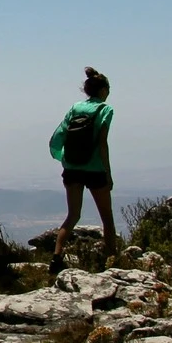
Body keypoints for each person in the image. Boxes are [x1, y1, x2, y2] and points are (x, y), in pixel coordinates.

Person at [48, 67, 119, 269]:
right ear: (103, 90)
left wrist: (63, 158)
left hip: (72, 168)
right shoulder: (105, 110)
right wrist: (108, 172)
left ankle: (56, 258)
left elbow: (59, 135)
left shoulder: (75, 108)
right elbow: (102, 143)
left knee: (73, 216)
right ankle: (111, 261)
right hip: (95, 169)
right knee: (107, 218)